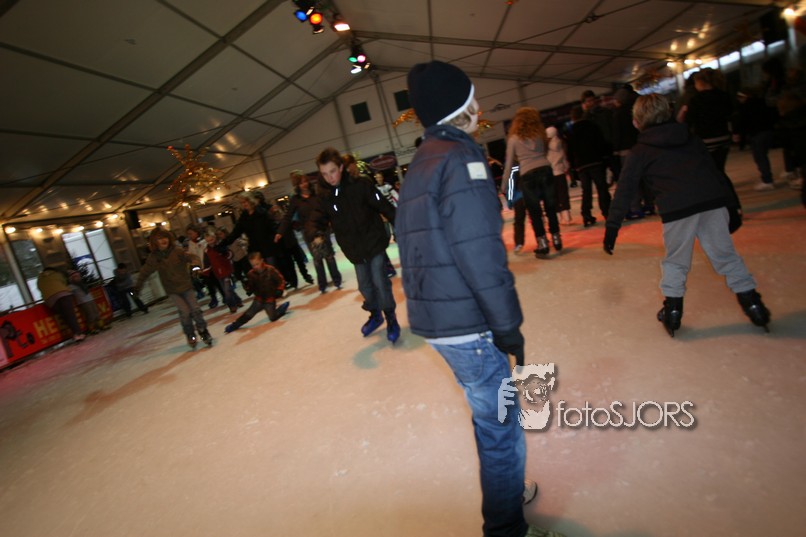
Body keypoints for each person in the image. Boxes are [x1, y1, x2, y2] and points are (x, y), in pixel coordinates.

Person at [398, 60, 553, 537]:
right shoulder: (460, 160)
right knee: (500, 425)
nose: (479, 106)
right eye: (472, 99)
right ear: (458, 108)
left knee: (491, 420)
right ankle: (506, 527)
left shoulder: (422, 162)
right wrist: (508, 326)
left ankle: (506, 491)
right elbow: (481, 255)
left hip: (440, 318)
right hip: (468, 323)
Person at [603, 93, 771, 336]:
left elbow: (625, 190)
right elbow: (715, 173)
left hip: (678, 210)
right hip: (712, 203)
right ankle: (754, 306)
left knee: (676, 262)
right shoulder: (691, 138)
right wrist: (731, 205)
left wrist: (612, 227)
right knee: (726, 256)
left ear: (637, 122)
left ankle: (672, 312)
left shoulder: (640, 151)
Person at [315, 147, 400, 343]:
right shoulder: (326, 196)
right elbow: (318, 217)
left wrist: (399, 222)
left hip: (373, 241)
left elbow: (382, 205)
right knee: (365, 287)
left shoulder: (361, 185)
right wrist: (316, 232)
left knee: (380, 281)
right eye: (324, 174)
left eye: (332, 171)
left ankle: (390, 317)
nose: (329, 177)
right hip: (354, 248)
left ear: (341, 167)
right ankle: (375, 314)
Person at [134, 227, 212, 348]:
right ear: (154, 241)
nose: (163, 240)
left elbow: (193, 257)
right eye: (159, 238)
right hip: (172, 290)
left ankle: (203, 330)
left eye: (165, 237)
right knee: (185, 312)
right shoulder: (154, 257)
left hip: (186, 286)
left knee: (195, 309)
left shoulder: (177, 251)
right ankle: (190, 334)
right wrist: (137, 288)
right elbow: (144, 272)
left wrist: (195, 266)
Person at [503, 107, 562, 255]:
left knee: (535, 212)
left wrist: (504, 185)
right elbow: (545, 153)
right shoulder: (540, 135)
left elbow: (509, 164)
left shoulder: (513, 139)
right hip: (545, 170)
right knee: (550, 208)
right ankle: (556, 238)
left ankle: (543, 243)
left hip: (527, 174)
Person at [276, 171, 343, 294]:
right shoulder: (296, 200)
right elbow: (288, 217)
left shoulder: (316, 194)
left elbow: (327, 209)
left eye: (306, 181)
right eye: (301, 183)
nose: (305, 184)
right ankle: (322, 285)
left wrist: (331, 221)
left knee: (329, 256)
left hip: (322, 229)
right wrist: (280, 232)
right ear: (297, 185)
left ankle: (336, 280)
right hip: (308, 232)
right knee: (317, 259)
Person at [567, 104, 611, 227]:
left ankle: (586, 214)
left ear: (573, 117)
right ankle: (606, 211)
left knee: (586, 190)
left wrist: (573, 166)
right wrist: (604, 157)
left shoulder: (571, 131)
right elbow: (601, 142)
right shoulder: (592, 126)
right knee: (602, 187)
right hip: (595, 161)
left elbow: (570, 151)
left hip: (581, 165)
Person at [224, 252, 289, 333]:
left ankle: (281, 309)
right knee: (249, 313)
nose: (255, 267)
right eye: (253, 265)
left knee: (273, 318)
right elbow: (250, 288)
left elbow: (281, 279)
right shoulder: (251, 274)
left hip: (270, 298)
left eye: (257, 264)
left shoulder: (270, 269)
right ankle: (235, 325)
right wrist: (246, 285)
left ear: (262, 260)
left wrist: (280, 289)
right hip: (259, 299)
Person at [37, 266, 85, 342]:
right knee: (70, 315)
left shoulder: (39, 278)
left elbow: (39, 288)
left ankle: (75, 334)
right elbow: (64, 282)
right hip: (63, 294)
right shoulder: (56, 274)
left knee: (64, 316)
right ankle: (78, 333)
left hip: (50, 300)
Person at [202, 229, 243, 314]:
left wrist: (225, 254)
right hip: (217, 273)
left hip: (226, 271)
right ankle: (238, 300)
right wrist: (204, 272)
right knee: (227, 289)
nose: (210, 242)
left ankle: (232, 305)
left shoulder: (221, 246)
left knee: (227, 290)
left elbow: (230, 254)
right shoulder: (207, 250)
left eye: (211, 240)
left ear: (214, 238)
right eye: (208, 241)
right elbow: (207, 263)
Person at [186, 224, 221, 308]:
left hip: (210, 265)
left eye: (191, 233)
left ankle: (224, 295)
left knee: (217, 281)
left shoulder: (204, 240)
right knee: (208, 283)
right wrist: (196, 268)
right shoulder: (190, 243)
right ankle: (214, 298)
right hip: (201, 267)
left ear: (196, 232)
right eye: (188, 234)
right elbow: (192, 257)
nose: (190, 235)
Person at [545, 125, 572, 225]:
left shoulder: (544, 147)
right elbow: (564, 157)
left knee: (553, 196)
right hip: (560, 172)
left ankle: (558, 216)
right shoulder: (560, 144)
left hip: (549, 174)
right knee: (563, 194)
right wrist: (566, 167)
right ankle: (567, 216)